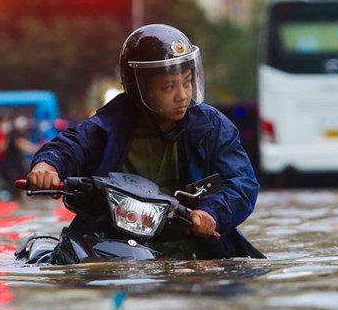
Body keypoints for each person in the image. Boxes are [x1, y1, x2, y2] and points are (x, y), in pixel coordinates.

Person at [26, 24, 265, 259]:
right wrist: (46, 167)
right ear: (140, 88)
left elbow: (241, 182)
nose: (182, 94)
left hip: (196, 243)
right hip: (114, 240)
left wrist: (211, 212)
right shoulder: (110, 126)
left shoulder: (213, 127)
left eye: (187, 82)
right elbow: (70, 145)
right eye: (169, 86)